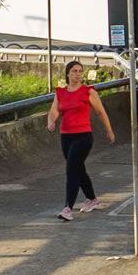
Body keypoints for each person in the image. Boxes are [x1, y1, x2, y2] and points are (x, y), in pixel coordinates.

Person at [46, 61, 116, 221]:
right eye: (74, 71)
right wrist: (51, 121)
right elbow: (54, 111)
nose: (78, 74)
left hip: (83, 136)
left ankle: (67, 208)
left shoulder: (88, 91)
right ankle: (92, 199)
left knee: (71, 170)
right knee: (78, 169)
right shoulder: (60, 93)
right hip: (66, 136)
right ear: (67, 74)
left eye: (80, 71)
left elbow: (100, 112)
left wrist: (109, 130)